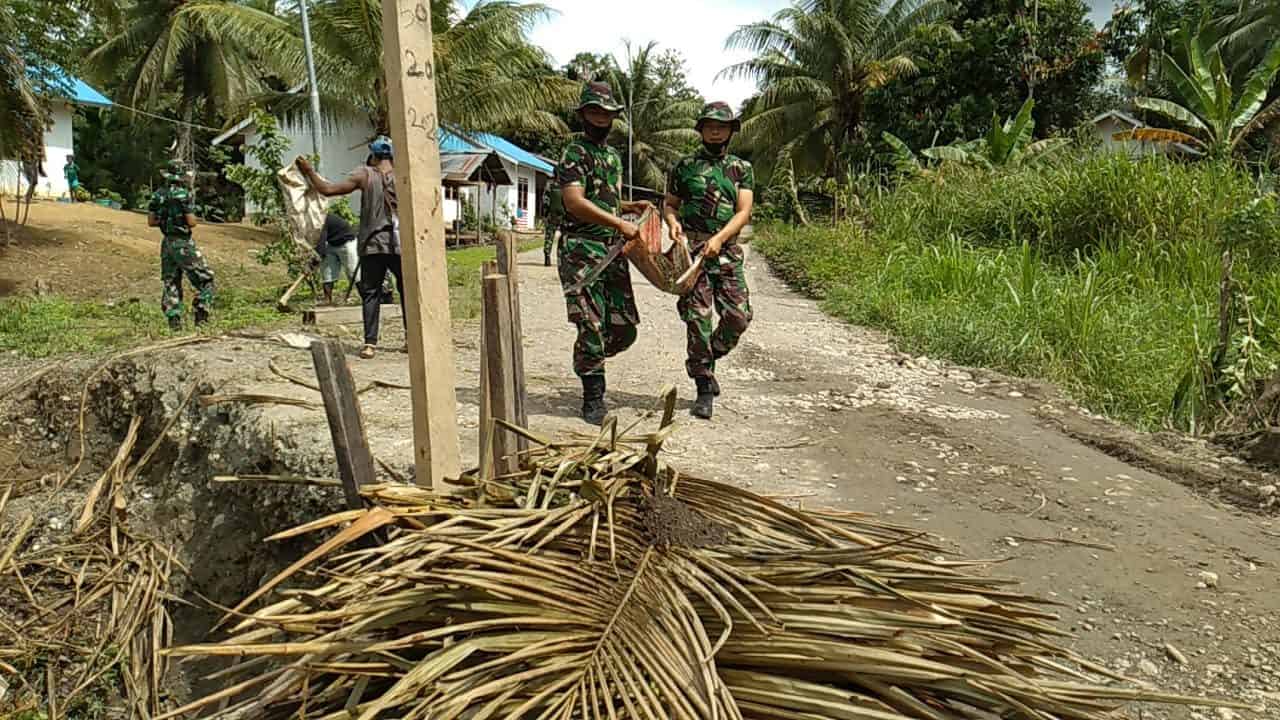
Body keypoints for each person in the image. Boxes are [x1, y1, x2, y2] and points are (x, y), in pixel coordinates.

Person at [556, 81, 651, 425]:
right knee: (591, 324)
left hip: (612, 251)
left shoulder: (611, 156)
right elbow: (575, 201)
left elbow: (603, 198)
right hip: (581, 251)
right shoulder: (574, 153)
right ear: (583, 114)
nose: (600, 118)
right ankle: (593, 394)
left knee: (625, 328)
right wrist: (619, 223)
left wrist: (628, 206)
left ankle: (587, 356)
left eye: (606, 113)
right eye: (594, 111)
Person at [662, 101, 755, 420]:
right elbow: (670, 205)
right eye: (710, 125)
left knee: (738, 317)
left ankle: (705, 358)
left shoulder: (741, 168)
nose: (716, 131)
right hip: (693, 255)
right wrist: (672, 223)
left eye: (722, 126)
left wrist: (719, 239)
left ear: (731, 130)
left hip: (726, 252)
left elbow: (743, 211)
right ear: (701, 129)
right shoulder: (684, 166)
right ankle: (703, 384)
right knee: (697, 320)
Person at [296, 137, 404, 360]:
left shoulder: (365, 174)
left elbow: (327, 189)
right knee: (407, 293)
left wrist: (308, 171)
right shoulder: (404, 176)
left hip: (373, 244)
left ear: (373, 156)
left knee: (371, 293)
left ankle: (369, 345)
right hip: (401, 245)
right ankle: (411, 339)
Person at [148, 160, 214, 330]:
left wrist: (166, 220)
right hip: (183, 242)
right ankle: (201, 316)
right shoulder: (185, 195)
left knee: (171, 281)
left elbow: (151, 221)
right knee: (205, 279)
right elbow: (191, 222)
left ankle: (174, 322)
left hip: (167, 243)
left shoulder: (157, 194)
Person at [313, 211, 358, 306]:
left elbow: (321, 240)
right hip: (332, 243)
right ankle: (327, 299)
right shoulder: (314, 220)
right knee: (326, 271)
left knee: (353, 271)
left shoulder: (323, 217)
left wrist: (315, 260)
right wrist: (316, 259)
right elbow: (319, 241)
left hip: (347, 242)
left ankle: (365, 297)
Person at [540, 181, 564, 267]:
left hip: (552, 215)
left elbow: (545, 201)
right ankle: (562, 259)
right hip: (564, 215)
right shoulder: (566, 183)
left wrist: (544, 214)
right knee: (564, 237)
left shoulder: (549, 185)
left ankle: (547, 256)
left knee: (549, 236)